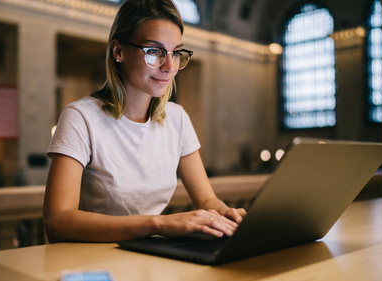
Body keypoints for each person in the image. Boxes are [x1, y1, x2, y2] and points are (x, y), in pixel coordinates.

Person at [44, 0, 246, 243]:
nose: (169, 67)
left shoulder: (177, 118)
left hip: (147, 257)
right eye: (154, 51)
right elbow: (57, 222)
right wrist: (158, 224)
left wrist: (224, 214)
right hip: (91, 260)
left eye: (176, 53)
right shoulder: (81, 117)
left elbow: (206, 200)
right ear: (118, 51)